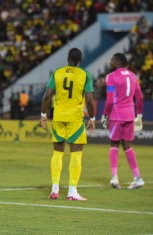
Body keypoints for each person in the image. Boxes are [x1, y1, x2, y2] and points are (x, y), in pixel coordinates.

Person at [40, 48, 95, 201]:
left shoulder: (57, 72)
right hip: (75, 118)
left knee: (57, 153)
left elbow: (47, 96)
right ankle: (72, 191)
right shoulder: (85, 75)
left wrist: (43, 115)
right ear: (80, 59)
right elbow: (89, 100)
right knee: (76, 154)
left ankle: (55, 189)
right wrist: (92, 117)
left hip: (58, 116)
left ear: (68, 58)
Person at [101, 53, 144, 190]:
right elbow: (140, 97)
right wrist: (139, 116)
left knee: (114, 144)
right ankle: (137, 178)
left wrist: (105, 114)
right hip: (130, 115)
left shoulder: (111, 77)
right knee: (127, 146)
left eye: (112, 60)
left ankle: (114, 177)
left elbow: (109, 99)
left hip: (116, 115)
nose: (110, 62)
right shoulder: (133, 76)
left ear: (117, 62)